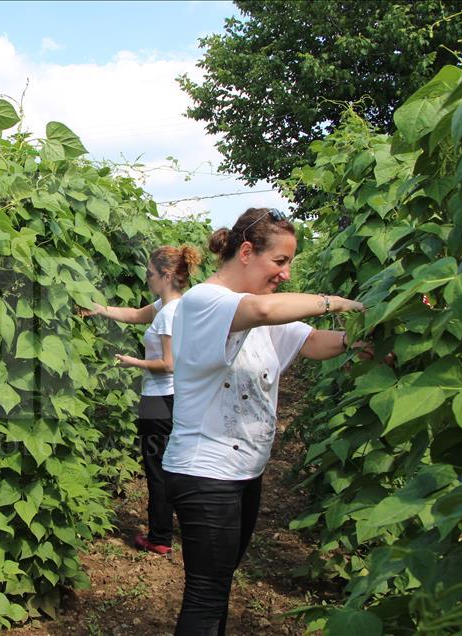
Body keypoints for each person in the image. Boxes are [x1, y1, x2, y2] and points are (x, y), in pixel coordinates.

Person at [164, 208, 365, 635]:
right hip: (205, 471)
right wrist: (335, 303)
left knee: (218, 586)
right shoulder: (205, 300)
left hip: (242, 472)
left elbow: (311, 342)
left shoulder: (255, 313)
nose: (287, 274)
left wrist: (361, 340)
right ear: (247, 252)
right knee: (206, 594)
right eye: (280, 262)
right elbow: (262, 310)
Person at [82, 245, 201, 555]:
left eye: (149, 274)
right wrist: (100, 308)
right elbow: (135, 315)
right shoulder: (172, 306)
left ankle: (160, 537)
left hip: (160, 399)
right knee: (174, 465)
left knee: (157, 468)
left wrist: (132, 362)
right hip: (176, 398)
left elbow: (169, 363)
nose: (146, 278)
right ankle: (181, 528)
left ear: (166, 275)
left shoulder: (168, 315)